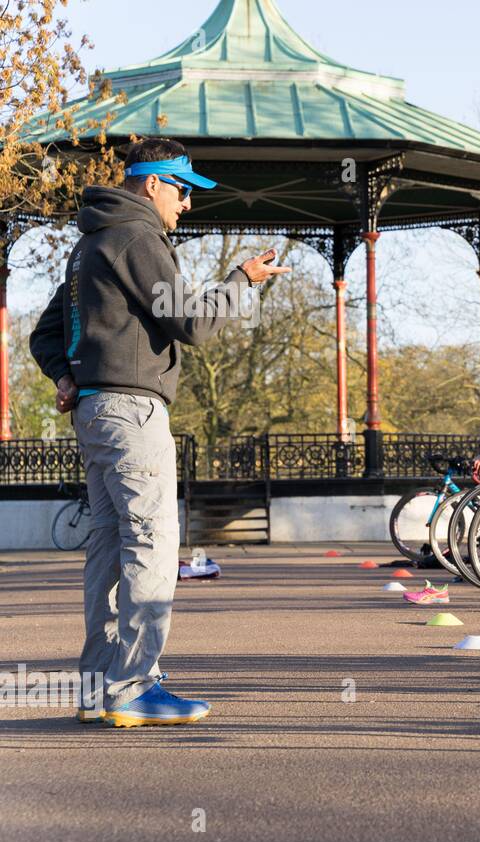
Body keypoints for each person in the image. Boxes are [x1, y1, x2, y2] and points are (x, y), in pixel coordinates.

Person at [27, 138, 290, 727]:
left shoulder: (89, 243)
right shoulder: (140, 237)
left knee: (108, 549)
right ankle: (134, 684)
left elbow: (45, 335)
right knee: (152, 544)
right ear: (152, 183)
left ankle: (99, 686)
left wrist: (66, 377)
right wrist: (241, 280)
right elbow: (192, 323)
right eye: (183, 189)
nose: (188, 204)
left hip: (94, 413)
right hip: (132, 411)